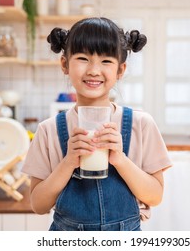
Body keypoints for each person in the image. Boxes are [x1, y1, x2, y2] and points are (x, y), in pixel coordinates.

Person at [21, 17, 172, 231]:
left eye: (106, 61)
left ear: (120, 70)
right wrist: (68, 162)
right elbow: (38, 204)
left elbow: (155, 196)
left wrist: (120, 159)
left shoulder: (142, 124)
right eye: (83, 58)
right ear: (65, 64)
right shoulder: (49, 130)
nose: (93, 70)